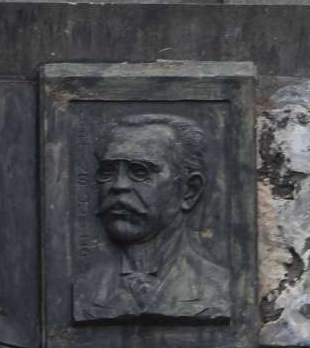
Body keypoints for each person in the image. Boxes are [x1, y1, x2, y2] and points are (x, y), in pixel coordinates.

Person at [73, 114, 229, 323]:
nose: (119, 185)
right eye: (108, 172)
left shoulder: (220, 286)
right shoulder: (85, 289)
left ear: (189, 191)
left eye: (139, 172)